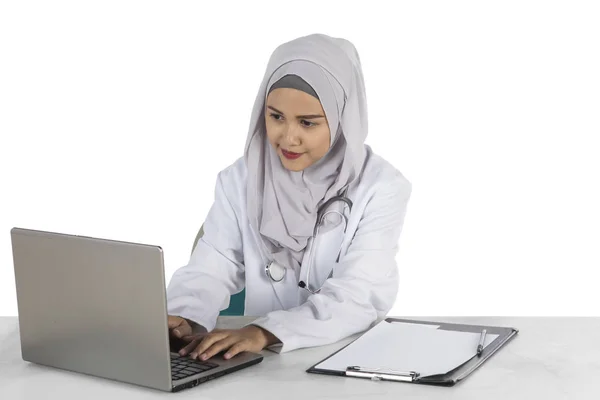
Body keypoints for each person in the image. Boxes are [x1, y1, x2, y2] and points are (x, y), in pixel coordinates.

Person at [166, 33, 412, 362]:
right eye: (276, 116)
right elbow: (212, 265)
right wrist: (184, 318)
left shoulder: (380, 186)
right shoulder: (240, 179)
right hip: (258, 364)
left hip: (345, 358)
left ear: (342, 120)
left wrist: (265, 332)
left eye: (307, 123)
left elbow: (360, 293)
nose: (288, 137)